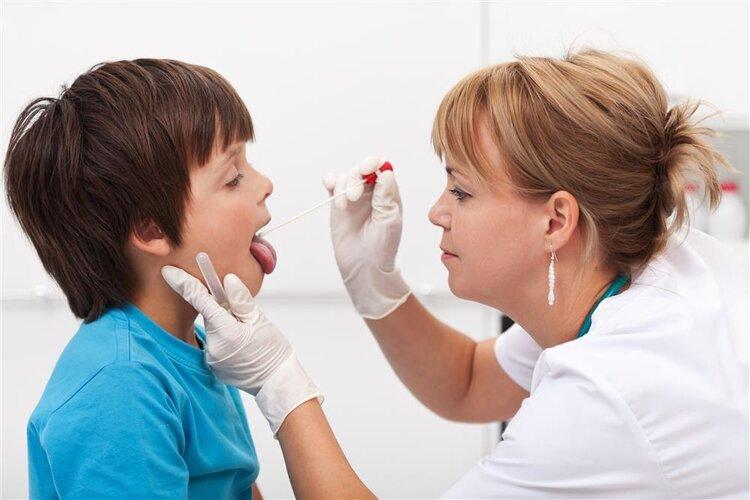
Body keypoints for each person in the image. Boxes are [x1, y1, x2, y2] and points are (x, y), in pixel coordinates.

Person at [163, 49, 748, 498]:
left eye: (462, 192)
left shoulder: (610, 394)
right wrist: (376, 285)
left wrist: (280, 382)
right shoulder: (631, 262)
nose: (436, 213)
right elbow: (468, 382)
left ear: (556, 221)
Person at [4, 59, 295, 498]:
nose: (265, 184)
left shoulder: (196, 346)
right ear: (152, 229)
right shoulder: (120, 387)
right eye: (233, 177)